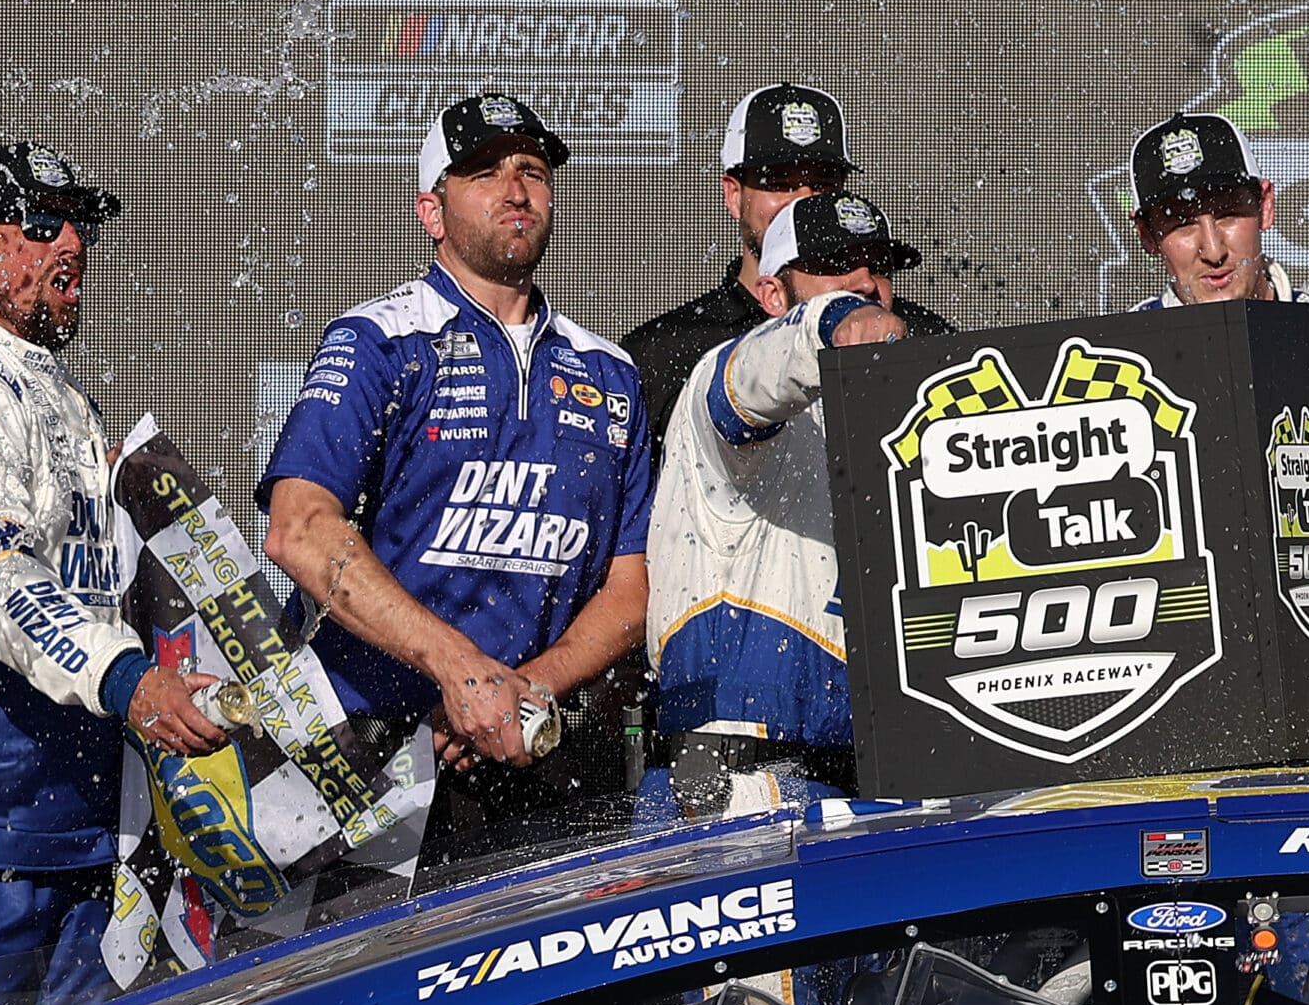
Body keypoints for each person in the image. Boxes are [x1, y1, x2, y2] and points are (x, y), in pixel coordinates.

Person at [261, 93, 654, 869]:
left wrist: (522, 689)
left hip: (537, 754)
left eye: (532, 171)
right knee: (353, 955)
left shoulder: (609, 371)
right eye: (483, 172)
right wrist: (460, 670)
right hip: (372, 757)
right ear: (431, 210)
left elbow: (632, 586)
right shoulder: (378, 340)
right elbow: (298, 529)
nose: (516, 189)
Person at [0, 144, 225, 1005]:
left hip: (81, 841)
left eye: (78, 224)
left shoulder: (58, 395)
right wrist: (133, 682)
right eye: (39, 223)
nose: (71, 244)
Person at [1126, 112, 1309, 733]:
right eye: (1181, 223)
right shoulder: (1112, 368)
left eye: (1228, 213)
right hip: (1187, 703)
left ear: (1267, 206)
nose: (1213, 249)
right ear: (1146, 236)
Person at [645, 192, 913, 814]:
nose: (865, 283)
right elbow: (764, 369)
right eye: (835, 266)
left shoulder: (895, 424)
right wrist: (833, 320)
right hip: (730, 783)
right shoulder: (722, 385)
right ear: (771, 295)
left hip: (867, 777)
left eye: (878, 267)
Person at [622, 82, 952, 461]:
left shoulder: (920, 338)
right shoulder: (663, 352)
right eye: (780, 183)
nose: (803, 202)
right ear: (733, 195)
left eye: (823, 184)